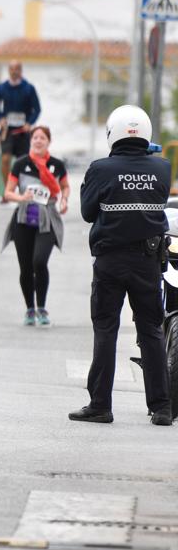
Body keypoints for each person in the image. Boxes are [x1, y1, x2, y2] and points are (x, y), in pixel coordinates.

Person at [72, 105, 172, 426]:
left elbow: (88, 212)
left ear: (112, 133)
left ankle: (100, 405)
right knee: (151, 331)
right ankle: (162, 408)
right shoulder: (162, 169)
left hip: (110, 261)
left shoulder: (101, 169)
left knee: (106, 329)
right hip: (147, 262)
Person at [1, 125, 69, 327]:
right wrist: (21, 197)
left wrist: (64, 200)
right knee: (26, 266)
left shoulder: (57, 165)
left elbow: (65, 186)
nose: (38, 141)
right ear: (31, 141)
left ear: (49, 142)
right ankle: (30, 308)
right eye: (35, 138)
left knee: (39, 262)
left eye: (42, 138)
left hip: (46, 217)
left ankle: (42, 307)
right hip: (24, 217)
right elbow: (8, 192)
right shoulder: (21, 164)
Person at [0, 60, 41, 201]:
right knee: (5, 159)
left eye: (17, 69)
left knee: (22, 162)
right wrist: (0, 118)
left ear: (21, 71)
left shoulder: (28, 88)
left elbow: (37, 109)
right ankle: (7, 191)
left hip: (23, 132)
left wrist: (29, 123)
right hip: (7, 130)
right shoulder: (2, 88)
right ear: (8, 70)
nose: (14, 71)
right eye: (12, 69)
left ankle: (22, 191)